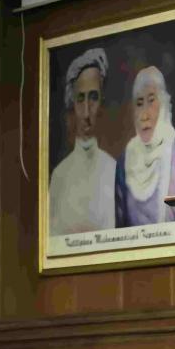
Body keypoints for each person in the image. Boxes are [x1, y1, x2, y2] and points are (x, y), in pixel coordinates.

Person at [49, 48, 117, 236]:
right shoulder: (59, 176)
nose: (86, 112)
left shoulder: (113, 172)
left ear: (102, 101)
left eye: (93, 97)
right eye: (80, 99)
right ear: (72, 103)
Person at [115, 66, 175, 227]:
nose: (144, 115)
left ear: (163, 104)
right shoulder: (125, 162)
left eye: (151, 101)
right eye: (139, 103)